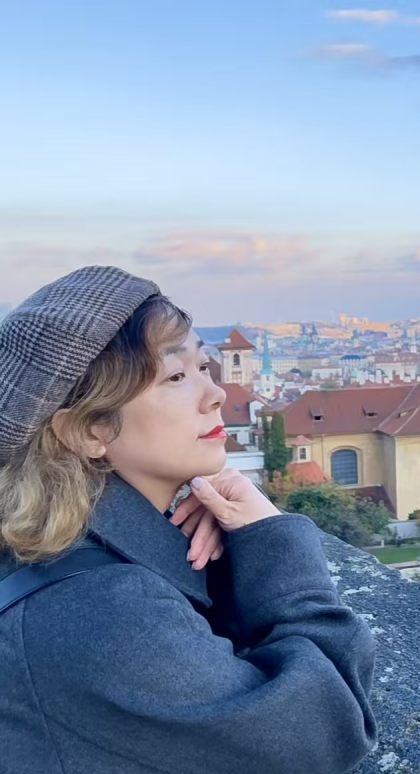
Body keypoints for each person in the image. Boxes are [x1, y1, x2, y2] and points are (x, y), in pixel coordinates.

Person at [0, 265, 378, 773]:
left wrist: (226, 559)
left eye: (203, 365)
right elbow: (326, 729)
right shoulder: (104, 610)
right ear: (88, 430)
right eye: (176, 376)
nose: (215, 394)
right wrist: (274, 540)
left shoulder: (58, 547)